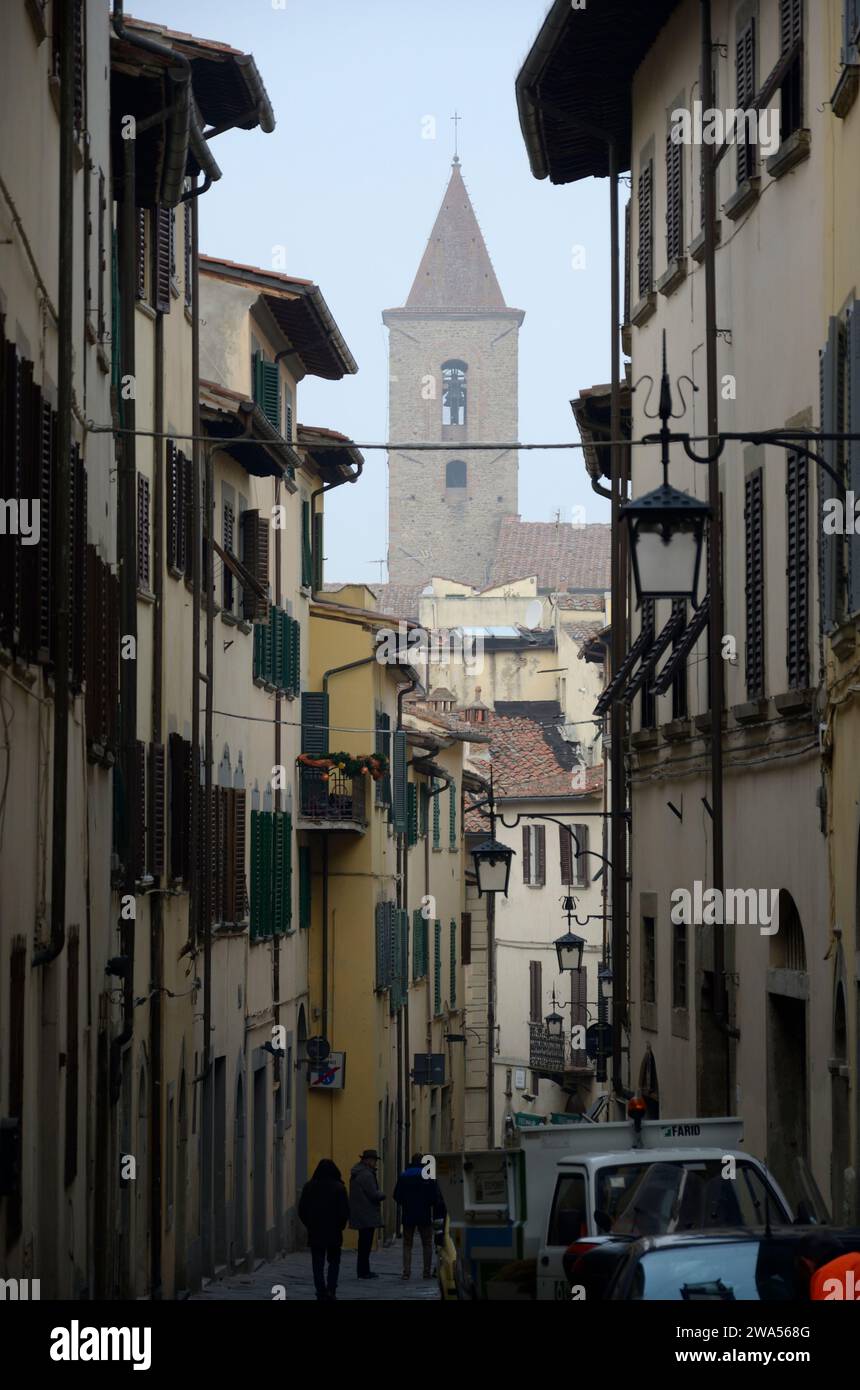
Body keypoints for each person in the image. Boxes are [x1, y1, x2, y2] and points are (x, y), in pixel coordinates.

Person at [298, 1159, 351, 1301]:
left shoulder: (309, 1187)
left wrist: (310, 1224)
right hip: (334, 1231)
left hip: (316, 1231)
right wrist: (340, 1226)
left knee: (317, 1263)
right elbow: (344, 1211)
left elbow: (301, 1210)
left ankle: (320, 1291)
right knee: (334, 1262)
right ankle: (331, 1290)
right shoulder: (339, 1188)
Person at [393, 1152, 447, 1280]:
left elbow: (397, 1196)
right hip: (424, 1215)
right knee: (427, 1244)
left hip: (408, 1215)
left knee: (407, 1244)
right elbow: (435, 1198)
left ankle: (406, 1272)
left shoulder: (404, 1175)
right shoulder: (428, 1177)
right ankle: (426, 1272)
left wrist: (406, 1203)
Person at [349, 1149, 385, 1279]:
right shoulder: (366, 1175)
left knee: (363, 1244)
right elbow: (374, 1194)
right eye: (374, 1161)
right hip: (367, 1214)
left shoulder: (358, 1172)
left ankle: (363, 1270)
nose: (375, 1163)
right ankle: (364, 1271)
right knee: (366, 1245)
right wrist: (383, 1194)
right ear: (368, 1161)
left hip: (360, 1213)